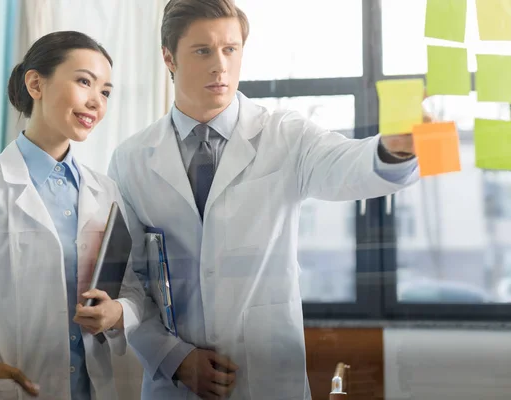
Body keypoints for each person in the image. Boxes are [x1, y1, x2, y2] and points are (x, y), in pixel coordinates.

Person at [108, 1, 422, 399]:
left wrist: (392, 151)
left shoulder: (284, 136)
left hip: (267, 378)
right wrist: (174, 359)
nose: (220, 65)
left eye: (230, 49)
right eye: (202, 51)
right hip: (175, 384)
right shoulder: (132, 158)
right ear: (168, 57)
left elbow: (346, 165)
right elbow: (127, 280)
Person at [0, 31, 143, 400]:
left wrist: (117, 314)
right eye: (84, 81)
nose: (96, 102)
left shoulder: (106, 192)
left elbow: (131, 289)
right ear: (35, 83)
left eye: (106, 92)